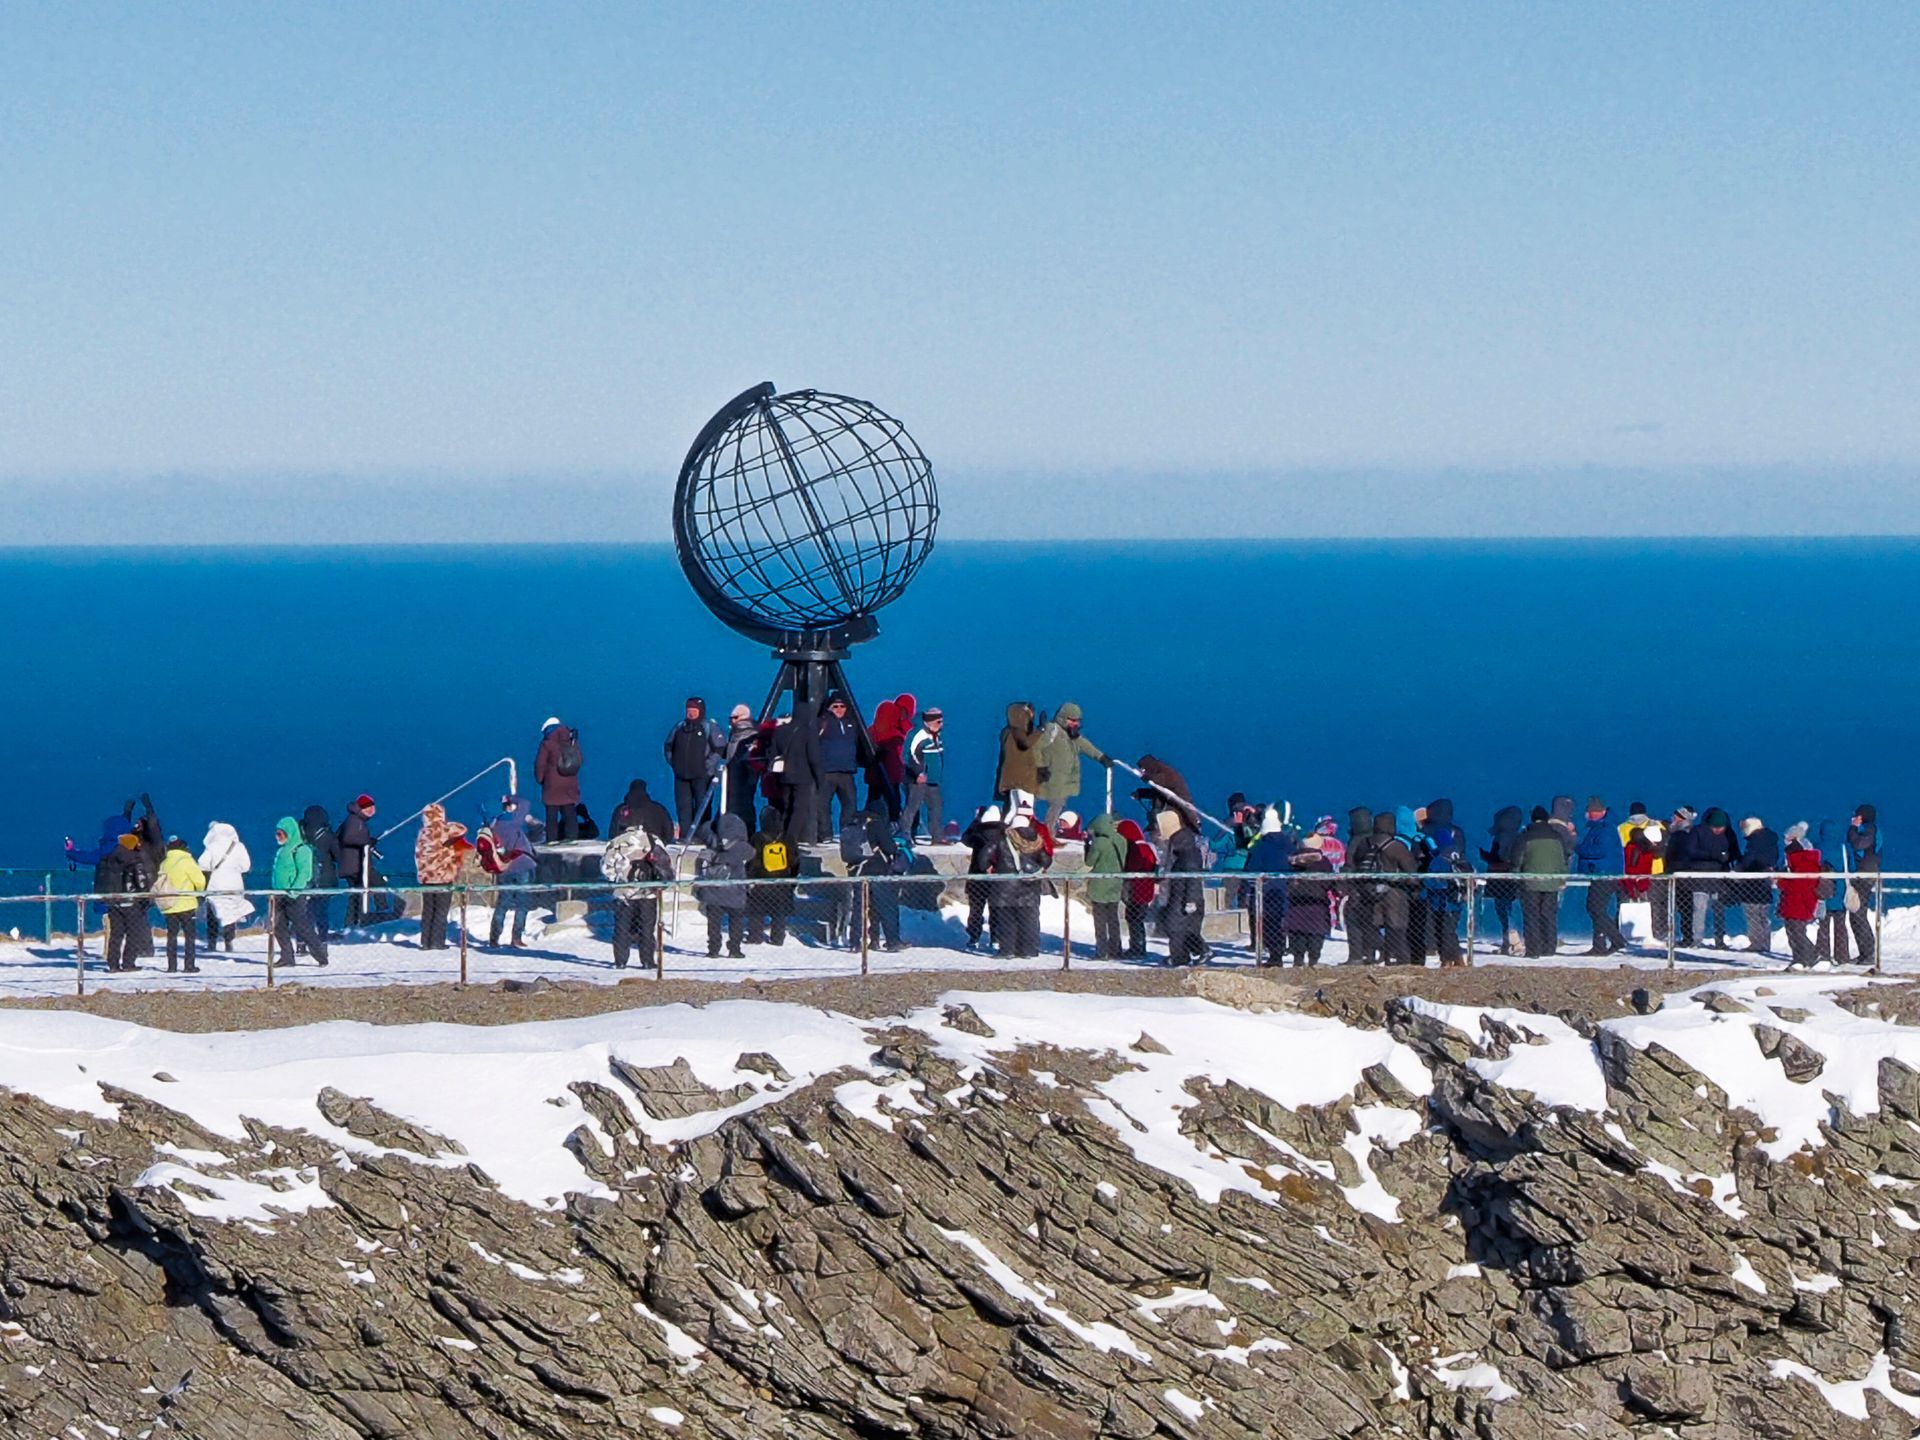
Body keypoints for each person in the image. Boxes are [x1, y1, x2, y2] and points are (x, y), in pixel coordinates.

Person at [601, 818, 670, 969]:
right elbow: (664, 862)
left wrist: (617, 879)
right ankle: (647, 961)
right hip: (648, 892)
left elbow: (606, 868)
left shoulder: (617, 842)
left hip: (624, 893)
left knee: (622, 929)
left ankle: (620, 961)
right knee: (647, 929)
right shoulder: (653, 839)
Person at [1035, 703, 1110, 832]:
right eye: (1073, 720)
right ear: (1064, 718)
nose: (1076, 724)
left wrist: (1101, 757)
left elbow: (1084, 745)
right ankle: (1024, 828)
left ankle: (1048, 833)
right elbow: (1036, 747)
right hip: (1047, 776)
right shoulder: (1051, 730)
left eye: (1078, 721)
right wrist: (1040, 766)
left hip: (1063, 780)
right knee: (1032, 802)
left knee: (1056, 806)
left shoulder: (1072, 735)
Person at [269, 814, 327, 967]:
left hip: (294, 896)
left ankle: (320, 956)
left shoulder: (301, 850)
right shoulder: (282, 850)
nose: (278, 837)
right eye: (277, 833)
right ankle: (287, 957)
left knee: (302, 927)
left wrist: (294, 891)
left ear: (290, 833)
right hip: (279, 895)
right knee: (279, 927)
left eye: (281, 834)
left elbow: (304, 873)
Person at [1575, 797, 1628, 956]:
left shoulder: (1605, 829)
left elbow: (1600, 851)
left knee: (1595, 908)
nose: (1587, 815)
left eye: (1590, 812)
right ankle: (1600, 944)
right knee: (1597, 908)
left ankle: (1615, 940)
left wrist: (1578, 848)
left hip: (1604, 875)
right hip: (1603, 873)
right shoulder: (1603, 827)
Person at [339, 795, 402, 926]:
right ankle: (380, 913)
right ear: (361, 808)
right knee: (377, 883)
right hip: (356, 866)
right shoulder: (355, 821)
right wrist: (367, 842)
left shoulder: (357, 821)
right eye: (368, 808)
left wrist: (367, 842)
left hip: (354, 865)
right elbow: (348, 838)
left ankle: (352, 922)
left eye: (373, 807)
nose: (372, 810)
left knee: (357, 894)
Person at [1515, 806, 1570, 958]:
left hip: (1530, 882)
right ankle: (1549, 947)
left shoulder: (1525, 837)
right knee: (1549, 914)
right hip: (1552, 882)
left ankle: (1533, 950)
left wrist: (1515, 876)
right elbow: (1564, 859)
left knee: (1531, 915)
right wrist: (1562, 878)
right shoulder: (1557, 837)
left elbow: (1517, 859)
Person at [665, 698, 724, 836]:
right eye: (689, 710)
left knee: (702, 807)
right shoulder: (679, 727)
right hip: (681, 776)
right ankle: (685, 836)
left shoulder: (709, 727)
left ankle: (703, 835)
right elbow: (668, 746)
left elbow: (719, 748)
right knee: (683, 808)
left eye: (694, 711)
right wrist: (674, 764)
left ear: (701, 711)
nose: (691, 714)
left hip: (703, 777)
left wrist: (707, 766)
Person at [484, 796, 538, 949]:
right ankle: (516, 937)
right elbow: (526, 803)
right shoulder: (514, 821)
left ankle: (494, 938)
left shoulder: (493, 825)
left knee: (502, 904)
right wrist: (511, 796)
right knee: (522, 904)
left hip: (504, 868)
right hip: (521, 866)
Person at [1157, 809, 1209, 966]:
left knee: (1176, 927)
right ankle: (1181, 956)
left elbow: (1192, 874)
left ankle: (1199, 951)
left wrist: (1191, 900)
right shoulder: (1180, 843)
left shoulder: (1184, 846)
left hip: (1184, 896)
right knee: (1177, 927)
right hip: (1179, 893)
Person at [97, 831, 153, 972]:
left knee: (116, 934)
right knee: (133, 933)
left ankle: (113, 964)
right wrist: (145, 898)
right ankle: (128, 963)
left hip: (113, 902)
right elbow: (141, 881)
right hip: (131, 902)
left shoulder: (107, 859)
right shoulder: (134, 859)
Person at [997, 812, 1051, 958]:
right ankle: (1029, 950)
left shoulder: (1004, 841)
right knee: (1029, 920)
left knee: (1007, 920)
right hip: (1030, 886)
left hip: (1006, 887)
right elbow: (1046, 860)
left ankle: (1007, 950)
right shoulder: (1037, 840)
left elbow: (987, 858)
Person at [414, 803, 466, 951]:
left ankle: (425, 942)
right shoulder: (445, 830)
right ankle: (438, 941)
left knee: (428, 910)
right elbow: (462, 829)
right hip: (443, 876)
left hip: (427, 878)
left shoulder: (423, 833)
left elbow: (418, 854)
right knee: (441, 911)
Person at [698, 813, 752, 958]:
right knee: (736, 922)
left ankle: (713, 949)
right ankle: (734, 949)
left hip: (713, 891)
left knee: (714, 923)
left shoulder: (711, 843)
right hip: (735, 892)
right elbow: (752, 853)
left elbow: (703, 831)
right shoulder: (741, 848)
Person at [197, 821, 255, 952]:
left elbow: (202, 863)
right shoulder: (239, 846)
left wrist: (213, 868)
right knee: (231, 913)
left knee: (213, 913)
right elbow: (246, 866)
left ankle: (212, 942)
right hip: (235, 883)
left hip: (216, 883)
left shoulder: (212, 846)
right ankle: (229, 941)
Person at [1244, 807, 1293, 960]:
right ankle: (1282, 949)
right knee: (1281, 921)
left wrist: (1249, 884)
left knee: (1268, 923)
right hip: (1285, 888)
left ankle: (1273, 954)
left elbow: (1252, 867)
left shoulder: (1262, 844)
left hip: (1265, 889)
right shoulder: (1288, 843)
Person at [773, 699, 823, 844]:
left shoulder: (780, 731)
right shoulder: (808, 733)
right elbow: (814, 757)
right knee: (799, 809)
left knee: (786, 806)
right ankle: (791, 839)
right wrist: (820, 779)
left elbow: (773, 753)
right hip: (803, 776)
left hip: (784, 776)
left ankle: (781, 835)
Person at [153, 838, 207, 974]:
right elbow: (199, 880)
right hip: (186, 903)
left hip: (169, 903)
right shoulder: (187, 861)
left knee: (171, 936)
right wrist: (199, 892)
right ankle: (189, 965)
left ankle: (172, 966)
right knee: (189, 936)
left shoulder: (164, 862)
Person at [746, 806, 796, 946]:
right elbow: (794, 860)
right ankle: (778, 938)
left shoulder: (757, 838)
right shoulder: (787, 838)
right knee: (779, 912)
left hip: (760, 882)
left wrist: (750, 878)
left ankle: (755, 936)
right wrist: (792, 880)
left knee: (756, 911)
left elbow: (752, 861)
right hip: (782, 882)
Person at [1283, 834, 1336, 966]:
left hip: (1295, 905)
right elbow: (1329, 882)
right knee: (1316, 935)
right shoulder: (1323, 862)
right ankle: (1313, 961)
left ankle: (1298, 960)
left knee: (1297, 933)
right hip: (1318, 904)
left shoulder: (1292, 862)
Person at [1422, 820, 1469, 966]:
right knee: (1450, 931)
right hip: (1456, 900)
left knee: (1443, 932)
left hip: (1440, 901)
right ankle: (1456, 959)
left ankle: (1449, 960)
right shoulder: (1458, 855)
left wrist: (1423, 893)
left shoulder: (1438, 860)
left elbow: (1431, 881)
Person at [1690, 808, 1739, 948]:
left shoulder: (1729, 834)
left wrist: (1730, 859)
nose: (1718, 830)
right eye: (1715, 827)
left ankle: (1720, 940)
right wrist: (1714, 855)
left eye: (1721, 827)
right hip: (1700, 878)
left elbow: (1735, 852)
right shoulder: (1697, 832)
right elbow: (1691, 851)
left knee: (1719, 911)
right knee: (1699, 910)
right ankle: (1697, 940)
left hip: (1720, 879)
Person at [858, 815, 908, 952]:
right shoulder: (878, 825)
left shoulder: (857, 824)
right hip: (880, 871)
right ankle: (893, 941)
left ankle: (873, 940)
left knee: (872, 908)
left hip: (861, 871)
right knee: (888, 907)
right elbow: (889, 848)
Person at [1480, 806, 1525, 955]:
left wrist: (1487, 858)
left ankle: (1514, 942)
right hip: (1505, 878)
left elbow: (1503, 859)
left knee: (1504, 910)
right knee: (1504, 909)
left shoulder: (1505, 838)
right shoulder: (1517, 836)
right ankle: (1508, 943)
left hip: (1502, 878)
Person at [817, 693, 862, 838]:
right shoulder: (822, 722)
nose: (839, 709)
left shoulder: (852, 723)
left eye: (842, 706)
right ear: (829, 708)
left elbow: (859, 743)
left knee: (850, 803)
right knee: (823, 804)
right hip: (827, 771)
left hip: (846, 770)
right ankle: (825, 834)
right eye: (835, 706)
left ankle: (847, 833)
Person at [1733, 817, 1780, 956]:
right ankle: (1765, 943)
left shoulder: (1755, 841)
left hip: (1752, 882)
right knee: (1763, 914)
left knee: (1752, 912)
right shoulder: (1771, 841)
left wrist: (1738, 870)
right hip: (1765, 881)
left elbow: (1750, 858)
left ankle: (1756, 943)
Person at [1779, 822, 1823, 968]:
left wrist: (1780, 881)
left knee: (1797, 930)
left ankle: (1810, 957)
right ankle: (1799, 958)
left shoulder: (1804, 862)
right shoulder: (1799, 862)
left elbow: (1797, 884)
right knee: (1793, 930)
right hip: (1795, 900)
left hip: (1800, 901)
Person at [1084, 814, 1128, 960]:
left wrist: (1088, 845)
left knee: (1100, 921)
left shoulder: (1100, 843)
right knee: (1113, 919)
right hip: (1116, 883)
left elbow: (1089, 862)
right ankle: (1116, 949)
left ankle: (1102, 951)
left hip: (1100, 885)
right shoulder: (1121, 840)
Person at [960, 806, 1004, 950]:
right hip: (997, 876)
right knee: (996, 909)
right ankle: (995, 938)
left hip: (977, 875)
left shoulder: (977, 833)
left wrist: (975, 821)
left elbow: (965, 839)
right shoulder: (1004, 833)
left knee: (976, 910)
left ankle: (974, 937)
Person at [534, 718, 585, 842]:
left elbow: (540, 764)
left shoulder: (547, 743)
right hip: (570, 782)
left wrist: (540, 779)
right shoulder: (571, 741)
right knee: (569, 809)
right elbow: (580, 759)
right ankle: (572, 836)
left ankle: (552, 839)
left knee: (551, 811)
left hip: (552, 782)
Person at [1846, 803, 1883, 966]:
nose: (1854, 818)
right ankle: (1865, 952)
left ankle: (1869, 953)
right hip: (1861, 873)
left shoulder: (1870, 829)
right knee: (1856, 914)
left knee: (1858, 913)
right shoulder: (1868, 829)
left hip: (1865, 875)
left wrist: (1853, 828)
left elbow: (1858, 844)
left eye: (1858, 815)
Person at [300, 804, 343, 943]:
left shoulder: (302, 835)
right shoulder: (328, 836)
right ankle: (322, 937)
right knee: (322, 911)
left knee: (307, 911)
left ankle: (304, 938)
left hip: (306, 878)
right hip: (325, 879)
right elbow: (339, 857)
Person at [903, 708, 946, 843]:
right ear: (929, 722)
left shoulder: (937, 736)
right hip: (918, 780)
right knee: (912, 808)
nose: (941, 725)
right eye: (938, 722)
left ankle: (937, 837)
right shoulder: (918, 735)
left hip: (933, 780)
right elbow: (907, 756)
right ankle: (905, 835)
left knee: (936, 807)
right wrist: (918, 773)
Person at [1118, 818, 1158, 958]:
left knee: (1133, 919)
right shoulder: (1147, 847)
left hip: (1136, 890)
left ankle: (1137, 947)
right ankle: (1139, 946)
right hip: (1146, 889)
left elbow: (1132, 867)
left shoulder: (1136, 848)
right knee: (1137, 919)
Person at [1817, 818, 1853, 963]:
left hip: (1822, 892)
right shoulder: (1844, 848)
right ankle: (1842, 956)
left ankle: (1823, 954)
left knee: (1823, 925)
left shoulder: (1817, 847)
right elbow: (1851, 868)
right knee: (1841, 925)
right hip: (1840, 891)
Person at [996, 702, 1041, 803]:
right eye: (1028, 714)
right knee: (1025, 806)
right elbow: (1024, 744)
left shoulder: (1008, 732)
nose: (1031, 718)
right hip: (1022, 780)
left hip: (1014, 780)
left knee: (1014, 806)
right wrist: (1040, 730)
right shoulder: (1017, 731)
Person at [722, 704, 761, 824]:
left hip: (744, 774)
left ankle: (746, 827)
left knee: (743, 802)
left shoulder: (749, 734)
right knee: (738, 802)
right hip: (736, 772)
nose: (732, 721)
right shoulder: (734, 734)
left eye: (735, 718)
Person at [1665, 808, 1698, 946]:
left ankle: (1688, 936)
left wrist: (1671, 866)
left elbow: (1674, 854)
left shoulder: (1681, 834)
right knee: (1684, 907)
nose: (1674, 817)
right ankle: (1686, 935)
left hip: (1681, 874)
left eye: (1678, 816)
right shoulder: (1685, 833)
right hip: (1682, 873)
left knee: (1685, 908)